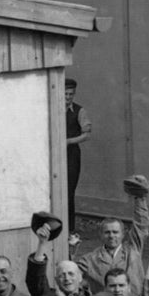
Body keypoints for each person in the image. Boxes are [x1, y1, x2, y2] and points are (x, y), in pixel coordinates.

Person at [64, 80, 89, 229]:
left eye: (71, 94)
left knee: (69, 191)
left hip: (71, 155)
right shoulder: (53, 108)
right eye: (65, 94)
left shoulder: (80, 111)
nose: (68, 97)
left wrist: (70, 141)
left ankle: (70, 229)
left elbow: (87, 134)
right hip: (54, 155)